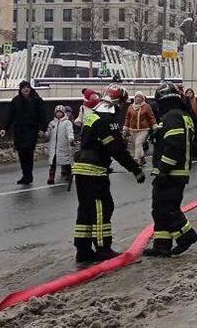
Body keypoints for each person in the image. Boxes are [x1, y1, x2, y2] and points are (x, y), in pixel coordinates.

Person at [72, 84, 145, 263]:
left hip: (82, 168)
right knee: (102, 207)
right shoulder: (108, 120)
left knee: (85, 208)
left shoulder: (93, 115)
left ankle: (83, 250)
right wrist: (135, 170)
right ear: (117, 102)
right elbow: (117, 150)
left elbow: (93, 142)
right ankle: (103, 248)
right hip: (94, 170)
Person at [143, 84, 197, 258]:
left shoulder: (172, 117)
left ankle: (187, 236)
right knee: (159, 209)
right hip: (178, 172)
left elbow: (174, 145)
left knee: (167, 209)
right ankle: (162, 245)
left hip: (171, 173)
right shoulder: (182, 115)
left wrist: (163, 169)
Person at [1, 80, 48, 185]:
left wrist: (43, 129)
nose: (26, 89)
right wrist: (5, 128)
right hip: (19, 131)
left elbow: (42, 115)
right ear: (20, 89)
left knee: (28, 152)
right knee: (21, 153)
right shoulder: (16, 101)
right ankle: (25, 175)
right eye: (24, 88)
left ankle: (28, 175)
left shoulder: (36, 100)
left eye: (27, 87)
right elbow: (10, 115)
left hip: (31, 130)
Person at [124, 91, 156, 166]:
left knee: (138, 143)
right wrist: (125, 127)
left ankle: (135, 160)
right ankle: (142, 159)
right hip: (132, 129)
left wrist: (154, 125)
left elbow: (151, 117)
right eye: (136, 97)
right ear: (134, 98)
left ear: (143, 98)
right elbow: (127, 118)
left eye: (140, 97)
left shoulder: (147, 106)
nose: (138, 98)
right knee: (136, 145)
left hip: (144, 129)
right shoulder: (130, 107)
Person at [46, 105, 75, 185]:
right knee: (52, 162)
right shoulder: (52, 123)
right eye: (57, 112)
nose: (58, 114)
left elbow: (69, 131)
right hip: (53, 147)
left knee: (66, 161)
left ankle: (69, 174)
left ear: (63, 113)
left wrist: (71, 138)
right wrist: (45, 134)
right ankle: (51, 177)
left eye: (60, 112)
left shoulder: (67, 123)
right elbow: (48, 133)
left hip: (63, 145)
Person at [182, 87, 197, 162]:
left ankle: (195, 155)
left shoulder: (196, 101)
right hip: (187, 123)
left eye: (190, 92)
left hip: (195, 123)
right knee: (188, 139)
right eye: (188, 93)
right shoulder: (184, 102)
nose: (189, 94)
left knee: (196, 139)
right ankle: (189, 155)